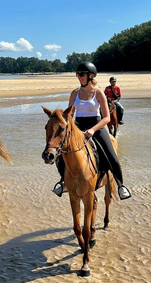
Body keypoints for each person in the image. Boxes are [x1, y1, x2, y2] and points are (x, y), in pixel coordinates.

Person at [52, 61, 131, 200]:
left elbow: (106, 118)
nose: (79, 76)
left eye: (81, 74)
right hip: (78, 127)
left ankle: (120, 185)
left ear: (91, 76)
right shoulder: (75, 93)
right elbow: (69, 115)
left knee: (111, 155)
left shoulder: (98, 93)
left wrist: (93, 130)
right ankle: (63, 182)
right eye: (78, 74)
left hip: (96, 126)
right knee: (60, 154)